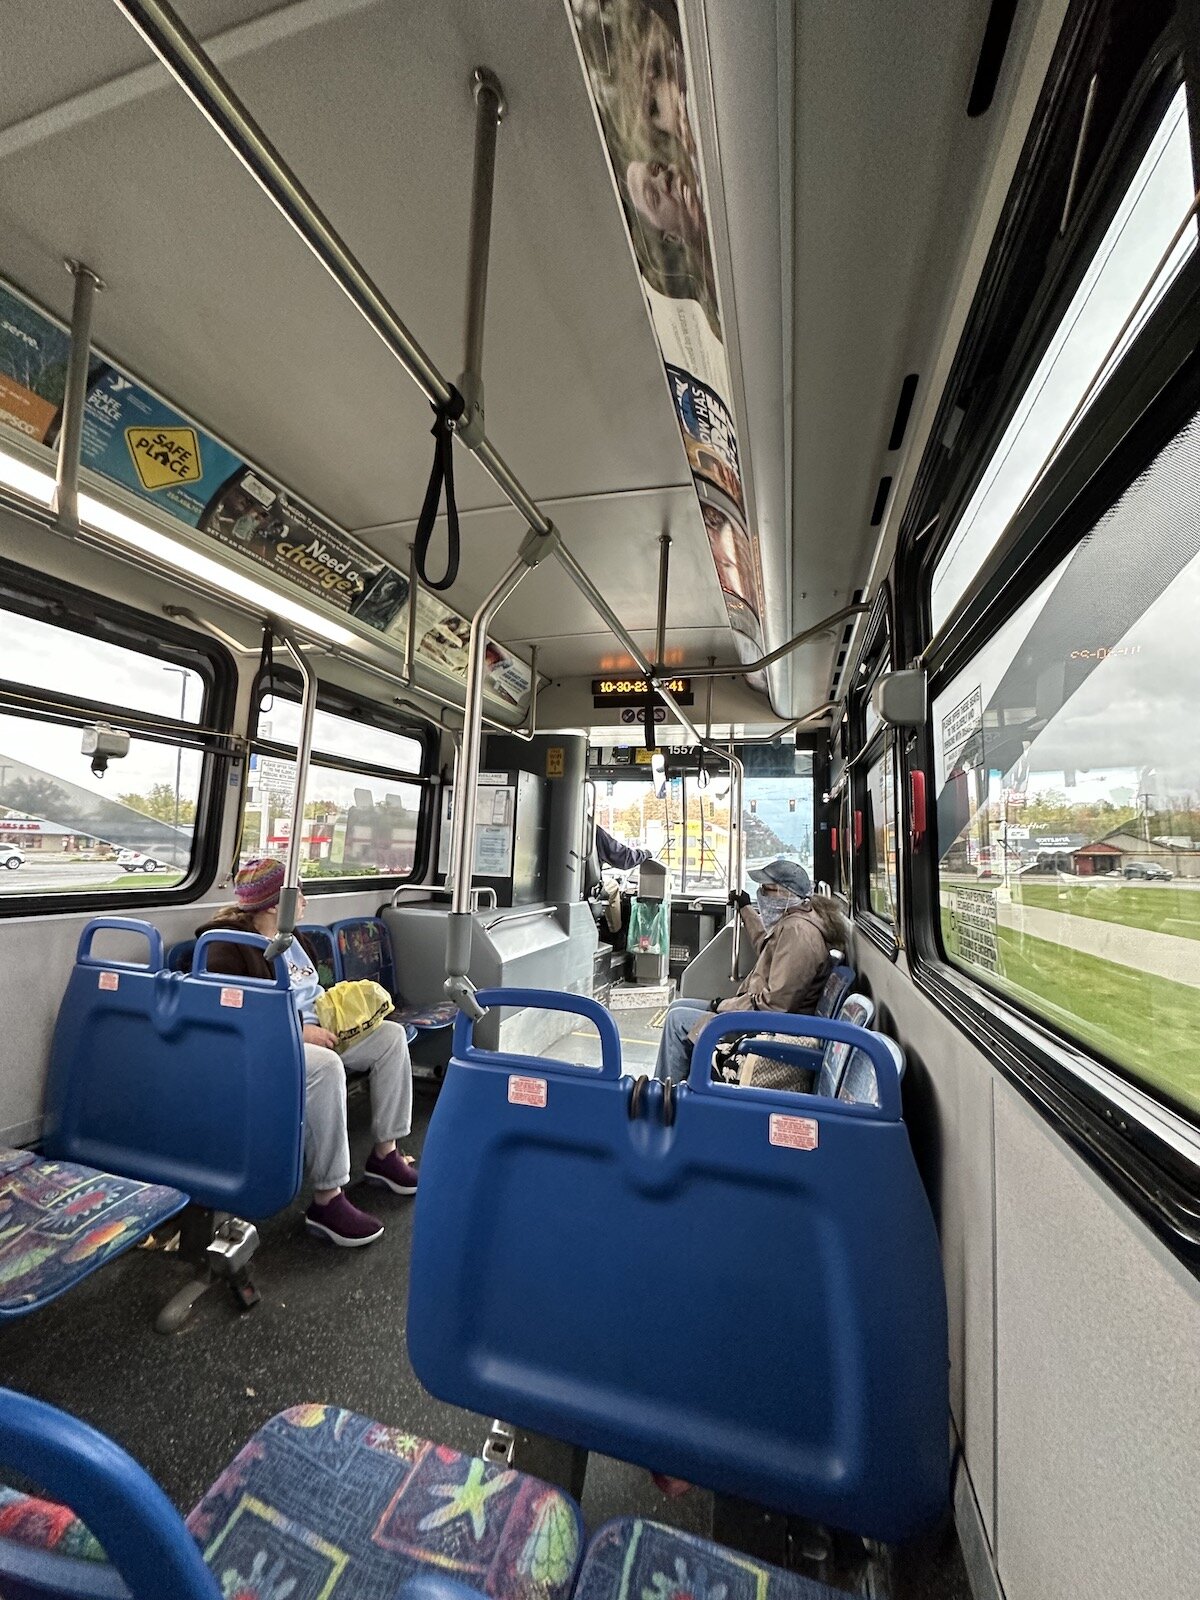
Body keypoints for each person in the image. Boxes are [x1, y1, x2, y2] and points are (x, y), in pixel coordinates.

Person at [194, 858, 418, 1249]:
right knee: (326, 1067)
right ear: (271, 904)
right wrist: (299, 1031)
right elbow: (232, 1013)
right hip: (271, 1043)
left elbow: (313, 994)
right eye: (299, 894)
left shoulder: (293, 938)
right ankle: (327, 1199)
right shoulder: (226, 946)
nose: (306, 904)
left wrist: (350, 1013)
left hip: (320, 1031)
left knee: (391, 1037)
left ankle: (386, 1153)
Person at [654, 859, 842, 1086]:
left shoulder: (799, 933)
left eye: (765, 889)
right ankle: (675, 1091)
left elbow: (774, 1007)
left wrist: (722, 1005)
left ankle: (664, 1098)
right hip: (758, 1013)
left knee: (676, 1020)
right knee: (677, 1006)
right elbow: (767, 947)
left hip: (766, 1026)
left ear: (783, 893)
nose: (760, 894)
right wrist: (746, 909)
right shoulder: (795, 921)